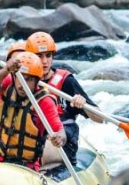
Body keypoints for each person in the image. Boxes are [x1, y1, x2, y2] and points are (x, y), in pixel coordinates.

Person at [25, 32, 102, 167]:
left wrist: (82, 104)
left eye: (48, 56)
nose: (44, 61)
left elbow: (100, 118)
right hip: (34, 134)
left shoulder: (66, 82)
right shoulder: (23, 81)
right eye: (39, 56)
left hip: (63, 141)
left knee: (31, 154)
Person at [0, 52, 66, 170]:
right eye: (21, 78)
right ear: (15, 76)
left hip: (25, 166)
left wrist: (60, 138)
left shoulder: (44, 101)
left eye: (29, 80)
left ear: (37, 81)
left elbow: (60, 131)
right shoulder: (8, 83)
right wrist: (6, 69)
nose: (23, 85)